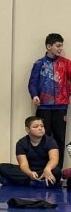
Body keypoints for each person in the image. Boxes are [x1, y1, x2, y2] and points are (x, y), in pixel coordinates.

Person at [28, 33, 71, 166]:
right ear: (49, 46)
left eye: (61, 46)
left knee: (60, 138)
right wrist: (34, 95)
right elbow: (32, 83)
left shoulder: (66, 63)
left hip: (61, 107)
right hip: (43, 107)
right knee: (42, 137)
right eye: (58, 46)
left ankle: (57, 170)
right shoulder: (39, 64)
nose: (60, 48)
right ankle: (43, 167)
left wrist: (68, 93)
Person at [0, 116, 62, 187]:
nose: (40, 128)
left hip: (44, 169)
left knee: (57, 171)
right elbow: (23, 165)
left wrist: (47, 169)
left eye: (42, 126)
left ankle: (18, 181)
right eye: (36, 126)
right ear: (27, 130)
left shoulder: (50, 141)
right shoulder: (21, 143)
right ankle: (33, 182)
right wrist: (30, 173)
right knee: (1, 167)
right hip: (29, 171)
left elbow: (54, 159)